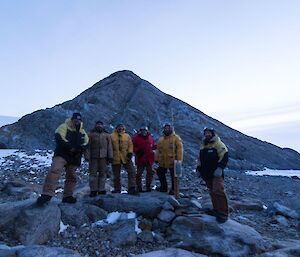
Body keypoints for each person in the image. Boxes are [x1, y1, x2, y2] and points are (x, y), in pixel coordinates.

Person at [36, 112, 89, 206]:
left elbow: (86, 142)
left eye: (79, 120)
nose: (77, 121)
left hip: (75, 157)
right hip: (62, 154)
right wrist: (70, 147)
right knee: (55, 170)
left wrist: (80, 149)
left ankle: (68, 196)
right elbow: (59, 137)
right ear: (72, 119)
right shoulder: (64, 126)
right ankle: (47, 194)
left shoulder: (82, 131)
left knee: (71, 176)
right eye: (75, 119)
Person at [196, 127, 229, 223]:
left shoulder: (218, 144)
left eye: (209, 133)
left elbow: (224, 156)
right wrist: (198, 169)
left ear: (213, 134)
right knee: (212, 191)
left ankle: (223, 213)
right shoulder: (203, 145)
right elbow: (200, 159)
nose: (207, 134)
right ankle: (216, 210)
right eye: (206, 133)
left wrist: (220, 168)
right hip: (207, 173)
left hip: (216, 173)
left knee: (218, 191)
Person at [86, 121, 113, 197]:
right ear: (95, 126)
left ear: (103, 126)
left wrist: (110, 156)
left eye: (101, 125)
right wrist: (87, 156)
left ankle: (101, 189)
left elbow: (109, 146)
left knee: (103, 174)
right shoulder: (90, 134)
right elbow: (87, 146)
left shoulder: (107, 135)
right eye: (98, 125)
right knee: (93, 174)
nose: (99, 126)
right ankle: (93, 190)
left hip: (104, 157)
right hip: (93, 157)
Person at [156, 123, 183, 195]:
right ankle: (163, 187)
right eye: (165, 128)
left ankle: (174, 189)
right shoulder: (161, 139)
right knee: (160, 172)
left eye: (168, 128)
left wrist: (179, 160)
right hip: (163, 160)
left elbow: (179, 149)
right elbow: (158, 150)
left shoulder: (176, 138)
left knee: (174, 175)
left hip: (173, 160)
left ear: (171, 129)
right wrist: (156, 158)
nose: (167, 129)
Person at [111, 124, 138, 195]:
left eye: (121, 127)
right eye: (119, 127)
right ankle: (117, 189)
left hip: (126, 157)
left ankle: (131, 188)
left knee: (132, 171)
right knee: (116, 175)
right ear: (116, 128)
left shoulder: (127, 136)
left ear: (124, 128)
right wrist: (109, 156)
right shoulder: (111, 136)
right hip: (115, 157)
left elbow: (130, 145)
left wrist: (130, 153)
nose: (120, 128)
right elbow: (109, 147)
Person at [132, 126, 156, 192]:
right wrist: (137, 150)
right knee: (139, 174)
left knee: (150, 172)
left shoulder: (150, 138)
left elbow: (153, 146)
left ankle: (148, 186)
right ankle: (139, 187)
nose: (144, 132)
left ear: (147, 131)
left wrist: (156, 147)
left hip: (149, 159)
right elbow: (132, 146)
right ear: (140, 131)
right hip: (140, 158)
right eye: (142, 130)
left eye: (145, 130)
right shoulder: (136, 138)